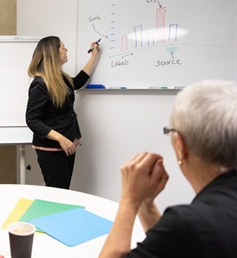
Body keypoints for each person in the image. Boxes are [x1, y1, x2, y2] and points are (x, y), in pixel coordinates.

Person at [99, 79, 237, 257]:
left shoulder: (190, 223)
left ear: (181, 146)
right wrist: (145, 204)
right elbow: (172, 248)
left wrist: (129, 200)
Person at [25, 36, 100, 189]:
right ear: (53, 53)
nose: (66, 50)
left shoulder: (60, 79)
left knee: (64, 190)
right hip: (52, 148)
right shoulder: (40, 83)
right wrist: (61, 139)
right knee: (58, 193)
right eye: (63, 47)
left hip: (66, 144)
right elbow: (32, 120)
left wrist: (94, 57)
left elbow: (78, 82)